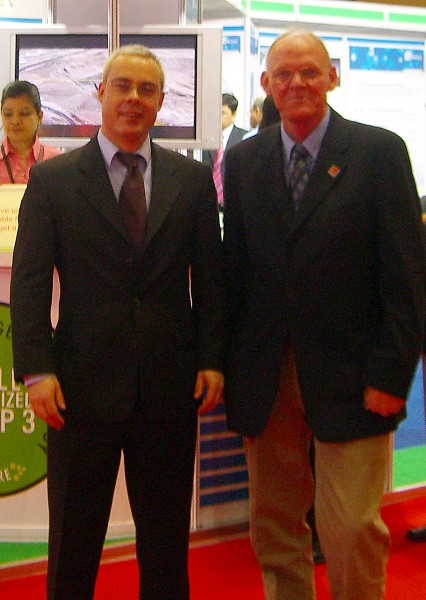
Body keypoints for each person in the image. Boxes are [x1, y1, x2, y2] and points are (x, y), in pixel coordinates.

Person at [10, 45, 225, 600]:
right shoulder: (54, 180)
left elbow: (212, 279)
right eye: (123, 86)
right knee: (73, 546)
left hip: (170, 390)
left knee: (165, 547)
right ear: (100, 93)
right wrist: (36, 370)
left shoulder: (191, 180)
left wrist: (211, 359)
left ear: (161, 101)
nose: (134, 98)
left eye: (146, 89)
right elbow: (29, 284)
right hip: (78, 391)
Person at [223, 29, 425, 600]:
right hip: (266, 374)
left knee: (353, 527)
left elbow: (407, 277)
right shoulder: (243, 162)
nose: (298, 83)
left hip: (356, 375)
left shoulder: (379, 152)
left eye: (310, 71)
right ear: (266, 84)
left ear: (332, 77)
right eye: (284, 74)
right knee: (274, 524)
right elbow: (234, 274)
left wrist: (392, 375)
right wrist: (226, 366)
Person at [0, 80, 60, 184]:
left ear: (39, 117)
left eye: (24, 114)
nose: (15, 121)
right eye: (8, 114)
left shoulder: (56, 161)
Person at [202, 93, 247, 213]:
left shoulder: (244, 138)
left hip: (233, 201)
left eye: (222, 113)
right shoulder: (205, 137)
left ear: (234, 114)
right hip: (208, 201)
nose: (218, 117)